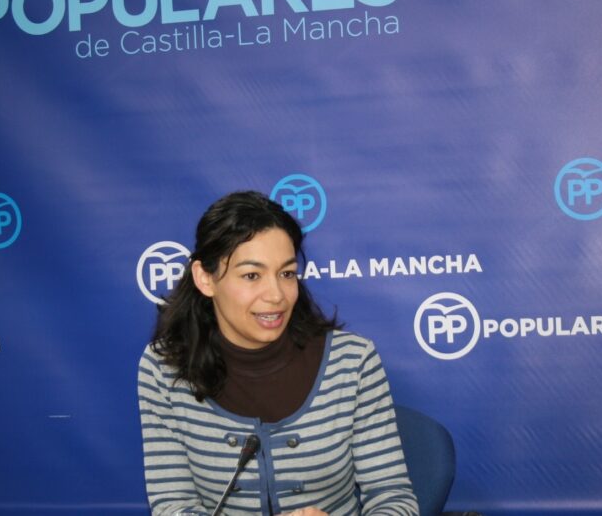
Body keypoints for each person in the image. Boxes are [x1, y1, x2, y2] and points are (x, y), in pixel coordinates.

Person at [138, 191, 420, 516]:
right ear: (205, 278)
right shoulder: (163, 368)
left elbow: (394, 500)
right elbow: (173, 506)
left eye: (286, 273)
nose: (276, 295)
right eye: (252, 275)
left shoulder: (352, 360)